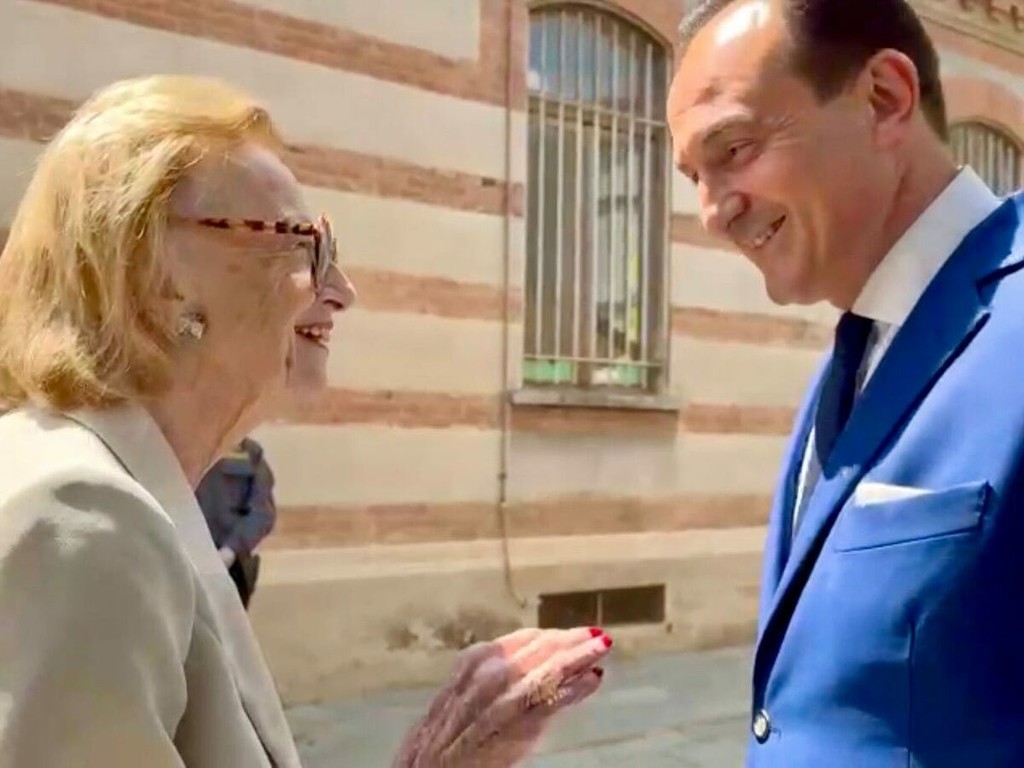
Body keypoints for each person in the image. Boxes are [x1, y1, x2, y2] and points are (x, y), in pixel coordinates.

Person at [0, 74, 613, 767]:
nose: (341, 291)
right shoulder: (81, 516)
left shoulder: (114, 487)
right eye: (304, 244)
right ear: (157, 273)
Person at [671, 1, 1024, 765]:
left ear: (884, 99)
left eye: (734, 148)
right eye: (695, 175)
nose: (711, 211)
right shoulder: (853, 360)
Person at [196, 436, 277, 608]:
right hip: (184, 562)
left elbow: (262, 513)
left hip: (231, 567)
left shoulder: (250, 453)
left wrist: (230, 550)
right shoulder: (180, 448)